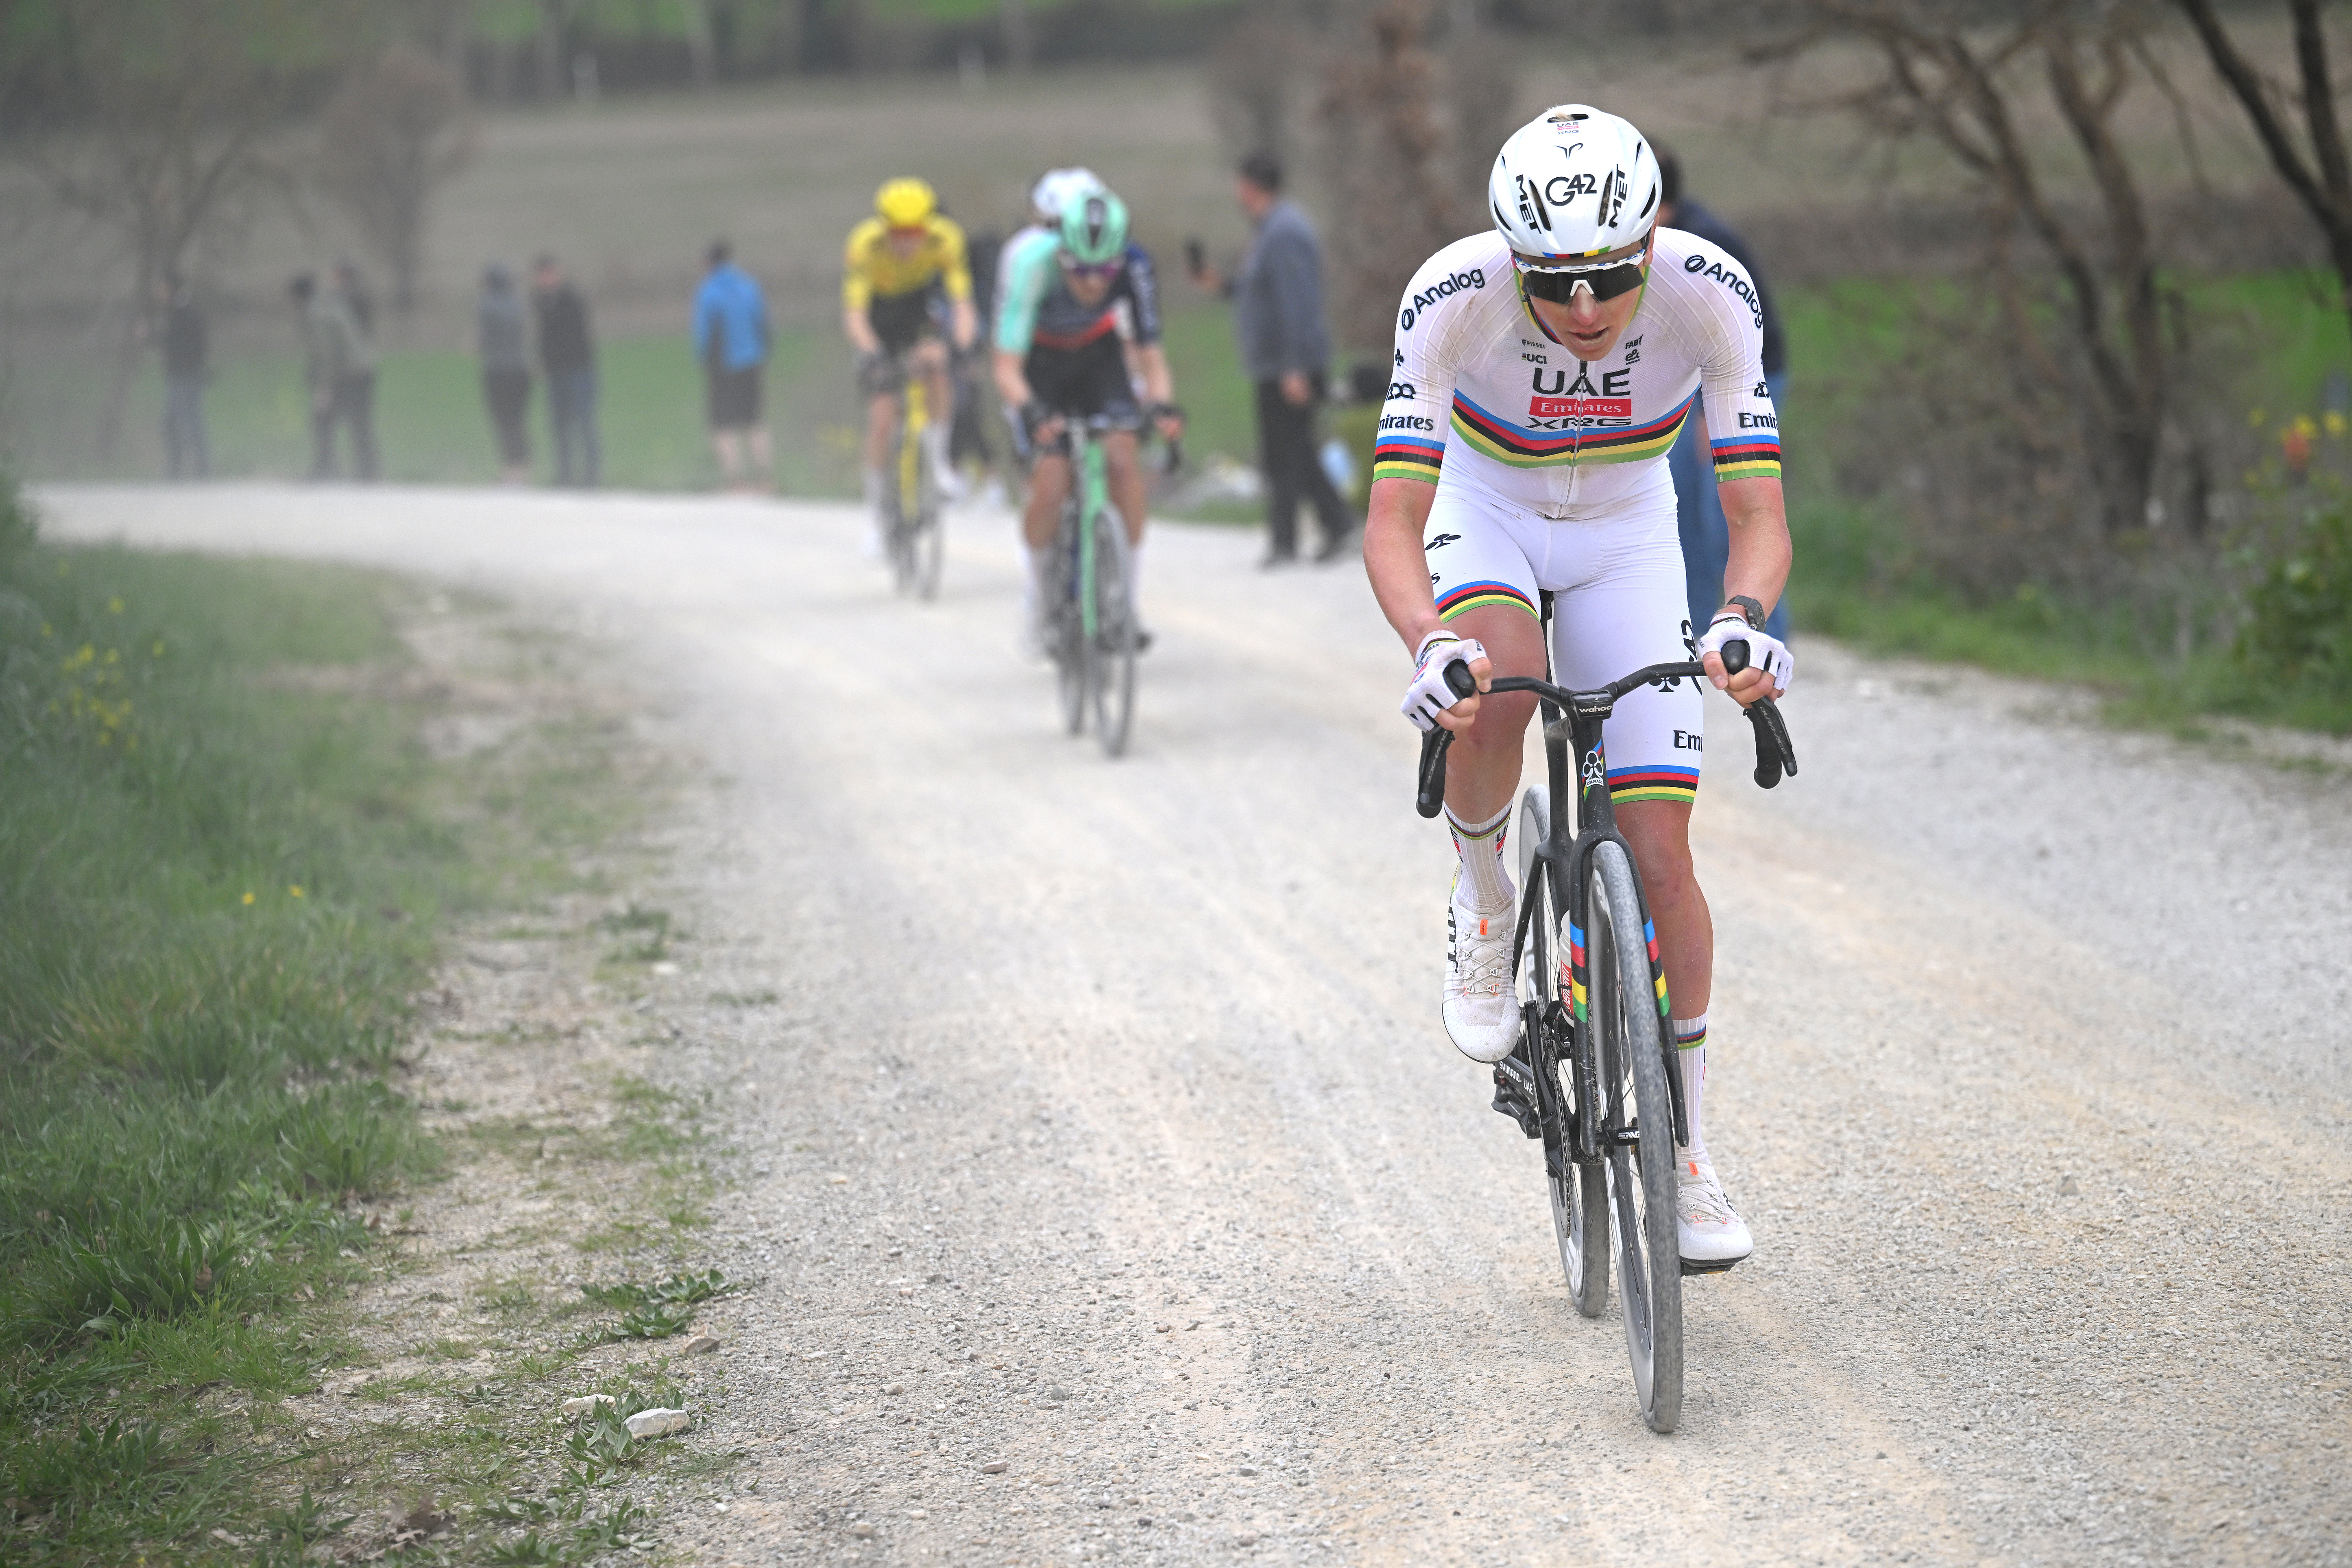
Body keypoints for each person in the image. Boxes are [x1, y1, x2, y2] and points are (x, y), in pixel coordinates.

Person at [1364, 105, 1795, 1268]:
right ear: (1512, 258)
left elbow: (1755, 514)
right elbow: (1393, 518)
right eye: (1556, 285)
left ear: (1650, 238)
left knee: (1661, 857)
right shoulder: (1452, 296)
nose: (1589, 308)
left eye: (1611, 275)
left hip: (1624, 532)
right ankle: (1483, 891)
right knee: (1494, 686)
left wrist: (1742, 623)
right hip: (1486, 512)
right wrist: (1424, 641)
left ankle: (1691, 1154)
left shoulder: (1708, 290)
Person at [993, 187, 1183, 651]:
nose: (1094, 283)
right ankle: (1037, 600)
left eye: (1104, 271)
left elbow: (1152, 358)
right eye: (1080, 270)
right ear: (1061, 254)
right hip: (1039, 367)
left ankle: (1126, 599)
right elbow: (1004, 369)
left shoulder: (1135, 265)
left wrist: (1160, 405)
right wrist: (1032, 409)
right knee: (1052, 483)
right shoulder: (1030, 265)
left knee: (1123, 461)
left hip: (1098, 361)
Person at [1656, 146, 1793, 644]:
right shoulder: (1657, 239)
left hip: (1741, 383)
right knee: (1681, 519)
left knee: (1732, 521)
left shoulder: (1704, 246)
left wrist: (1711, 420)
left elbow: (1737, 348)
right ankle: (1686, 643)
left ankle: (1762, 641)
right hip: (1689, 392)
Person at [1190, 152, 1352, 567]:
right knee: (1289, 449)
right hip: (1277, 363)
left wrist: (1295, 366)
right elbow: (1259, 291)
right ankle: (1324, 527)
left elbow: (1296, 303)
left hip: (1289, 363)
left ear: (1249, 185)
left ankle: (1299, 536)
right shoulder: (1269, 231)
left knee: (1288, 451)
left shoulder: (1284, 232)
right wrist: (1221, 286)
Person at [842, 177, 977, 552]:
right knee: (882, 415)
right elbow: (855, 315)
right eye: (897, 233)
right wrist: (872, 353)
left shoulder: (946, 239)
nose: (905, 242)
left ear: (927, 226)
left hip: (919, 307)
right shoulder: (864, 244)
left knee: (936, 368)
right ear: (884, 228)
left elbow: (962, 302)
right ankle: (875, 518)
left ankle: (939, 463)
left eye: (914, 232)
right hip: (879, 316)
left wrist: (962, 346)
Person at [693, 240, 772, 489]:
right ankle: (765, 479)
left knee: (722, 423)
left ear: (708, 263)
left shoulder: (708, 292)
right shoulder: (749, 286)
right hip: (752, 362)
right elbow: (763, 323)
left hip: (723, 365)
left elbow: (705, 334)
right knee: (755, 421)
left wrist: (704, 361)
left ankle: (735, 480)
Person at [290, 270, 378, 481]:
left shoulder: (315, 313)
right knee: (358, 422)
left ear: (299, 296)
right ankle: (367, 472)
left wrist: (323, 388)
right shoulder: (329, 304)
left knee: (323, 421)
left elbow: (325, 352)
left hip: (350, 373)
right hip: (362, 369)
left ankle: (328, 469)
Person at [533, 254, 600, 488]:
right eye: (543, 275)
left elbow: (573, 338)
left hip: (578, 370)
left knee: (584, 422)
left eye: (551, 274)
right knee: (559, 426)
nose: (547, 279)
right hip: (556, 374)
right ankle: (565, 474)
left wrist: (551, 358)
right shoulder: (541, 302)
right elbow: (545, 338)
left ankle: (592, 473)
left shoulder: (571, 300)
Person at [477, 264, 532, 484]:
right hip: (521, 369)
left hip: (497, 370)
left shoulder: (486, 306)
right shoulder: (518, 304)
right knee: (518, 419)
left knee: (503, 420)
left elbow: (483, 339)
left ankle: (511, 471)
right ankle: (524, 469)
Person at [151, 270, 209, 479]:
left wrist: (149, 336)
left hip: (184, 376)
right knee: (180, 422)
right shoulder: (180, 309)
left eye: (161, 287)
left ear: (170, 288)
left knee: (185, 423)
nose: (157, 292)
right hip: (182, 375)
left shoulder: (182, 311)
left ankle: (193, 470)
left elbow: (177, 342)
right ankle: (187, 469)